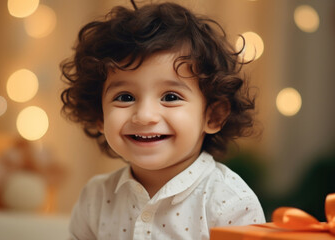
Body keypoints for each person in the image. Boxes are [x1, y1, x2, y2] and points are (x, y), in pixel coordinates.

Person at [60, 1, 265, 239]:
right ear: (100, 115)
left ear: (213, 115)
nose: (145, 116)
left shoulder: (230, 202)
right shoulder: (95, 198)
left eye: (170, 97)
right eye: (125, 97)